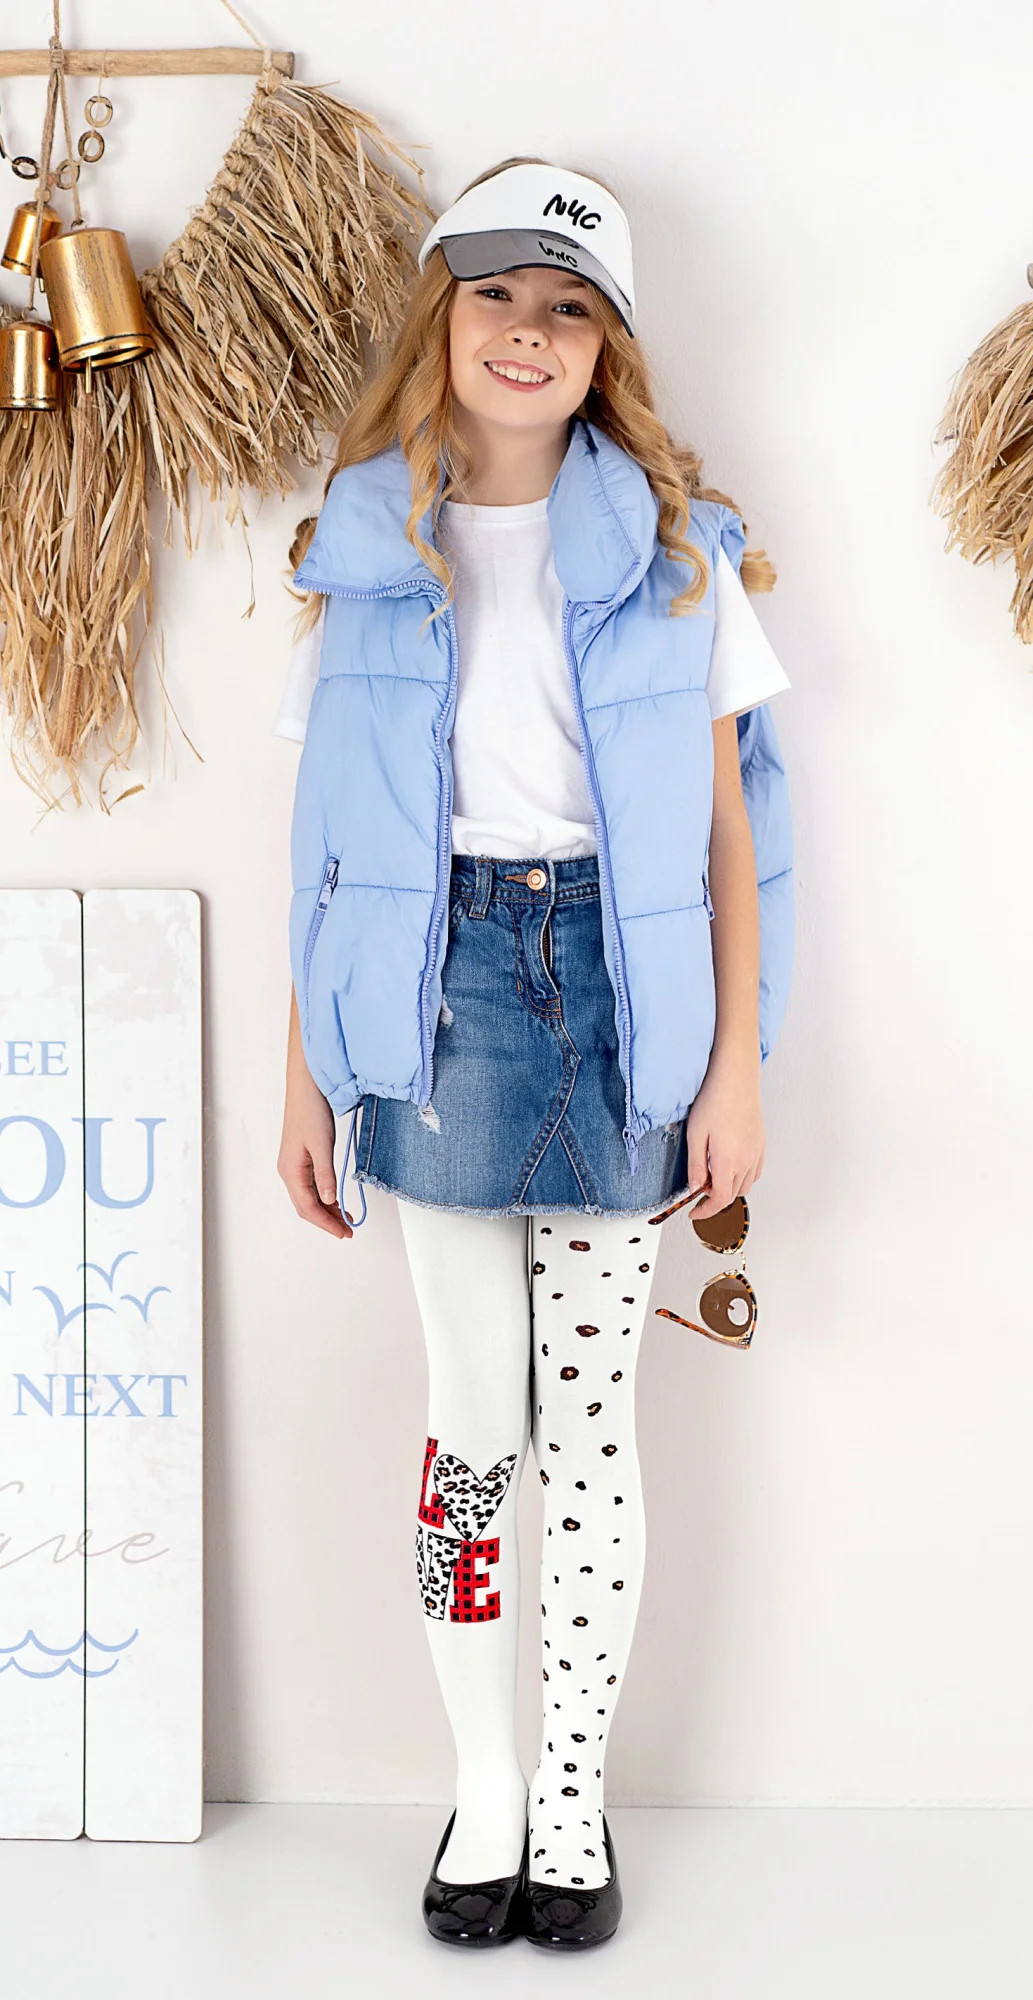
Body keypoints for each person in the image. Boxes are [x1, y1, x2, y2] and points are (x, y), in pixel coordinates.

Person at [275, 155, 793, 1951]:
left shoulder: (677, 548)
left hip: (625, 993)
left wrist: (737, 1066)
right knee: (469, 1415)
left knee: (590, 1417)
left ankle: (570, 1800)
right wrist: (307, 1074)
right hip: (437, 995)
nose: (525, 331)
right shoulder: (363, 540)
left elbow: (731, 829)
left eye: (566, 306)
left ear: (606, 347)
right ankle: (481, 1788)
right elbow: (324, 838)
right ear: (442, 317)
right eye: (494, 294)